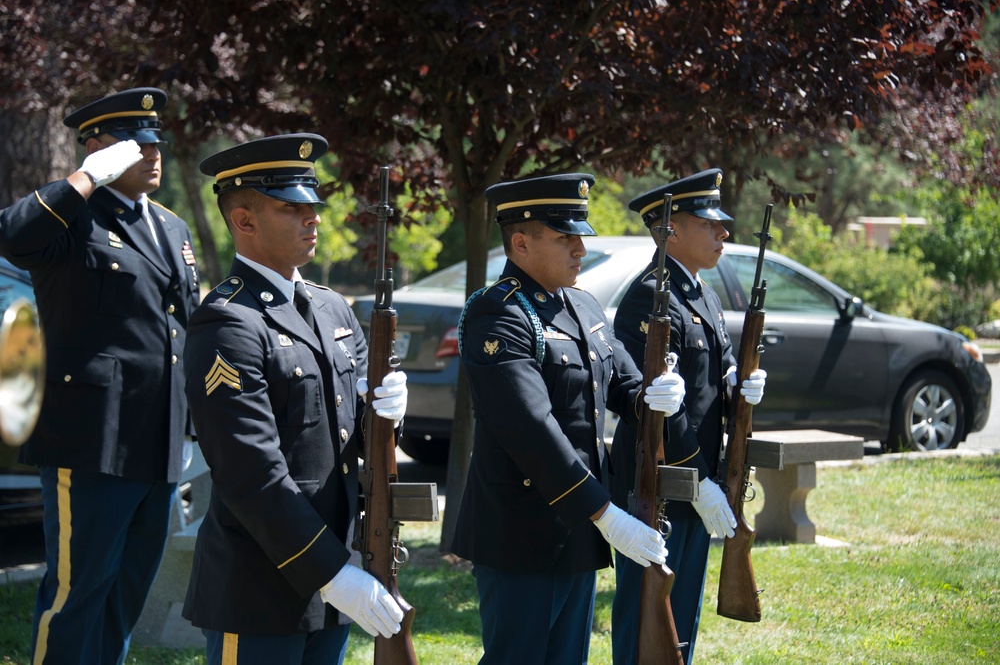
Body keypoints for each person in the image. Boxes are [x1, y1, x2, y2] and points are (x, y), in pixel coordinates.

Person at [182, 134, 409, 664]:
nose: (314, 218)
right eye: (293, 208)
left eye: (314, 206)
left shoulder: (333, 309)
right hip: (260, 587)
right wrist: (331, 571)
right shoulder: (229, 322)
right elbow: (250, 471)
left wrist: (390, 414)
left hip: (336, 574)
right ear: (244, 221)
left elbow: (351, 433)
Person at [448, 173, 686, 664]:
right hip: (521, 532)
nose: (580, 248)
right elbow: (530, 427)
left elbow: (622, 385)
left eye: (580, 235)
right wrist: (605, 514)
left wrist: (656, 394)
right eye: (564, 237)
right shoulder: (500, 314)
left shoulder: (581, 303)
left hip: (577, 531)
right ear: (520, 242)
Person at [0, 87, 200, 665]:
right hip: (91, 439)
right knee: (75, 595)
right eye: (137, 144)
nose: (153, 154)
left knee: (124, 597)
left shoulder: (172, 227)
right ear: (99, 148)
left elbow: (186, 326)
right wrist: (86, 178)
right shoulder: (73, 214)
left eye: (156, 142)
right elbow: (13, 234)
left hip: (158, 443)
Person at [609, 168, 767, 664]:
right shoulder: (648, 297)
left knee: (681, 621)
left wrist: (737, 386)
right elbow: (657, 406)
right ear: (669, 229)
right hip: (657, 483)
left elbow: (705, 386)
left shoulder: (702, 293)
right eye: (709, 223)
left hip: (701, 483)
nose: (724, 232)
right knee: (647, 620)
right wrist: (699, 481)